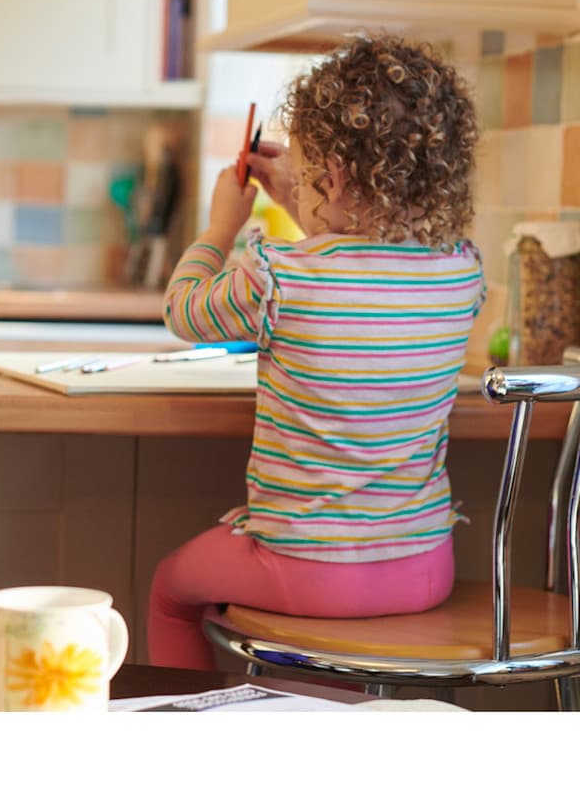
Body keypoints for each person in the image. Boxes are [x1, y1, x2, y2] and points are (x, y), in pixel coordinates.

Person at [146, 34, 484, 669]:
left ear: (329, 178)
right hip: (424, 567)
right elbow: (361, 275)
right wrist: (306, 208)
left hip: (304, 570)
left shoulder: (276, 272)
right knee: (345, 655)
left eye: (304, 175)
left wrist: (221, 226)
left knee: (171, 588)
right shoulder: (461, 270)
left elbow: (183, 308)